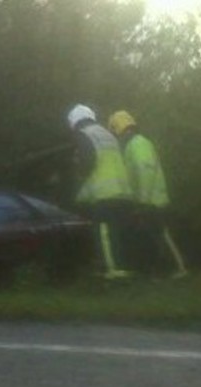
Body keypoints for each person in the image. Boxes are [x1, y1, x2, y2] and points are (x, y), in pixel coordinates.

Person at [107, 110, 188, 278]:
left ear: (117, 128)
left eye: (113, 130)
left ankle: (179, 269)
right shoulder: (136, 143)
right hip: (147, 200)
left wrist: (142, 201)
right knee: (152, 237)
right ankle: (159, 272)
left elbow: (145, 171)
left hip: (151, 201)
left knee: (161, 235)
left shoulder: (137, 143)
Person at [67, 104, 135, 280]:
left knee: (103, 231)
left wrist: (79, 173)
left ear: (74, 122)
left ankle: (112, 270)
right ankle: (122, 267)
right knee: (115, 231)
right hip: (121, 189)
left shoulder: (83, 134)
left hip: (104, 191)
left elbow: (88, 162)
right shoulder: (106, 134)